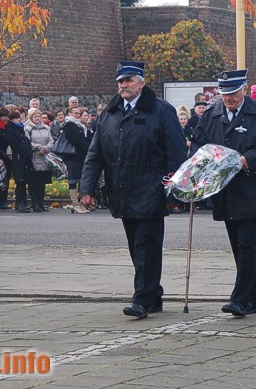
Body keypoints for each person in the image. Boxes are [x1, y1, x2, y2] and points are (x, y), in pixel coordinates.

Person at [79, 61, 187, 319]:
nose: (123, 85)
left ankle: (142, 299)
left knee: (146, 245)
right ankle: (154, 294)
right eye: (120, 81)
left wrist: (174, 190)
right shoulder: (110, 112)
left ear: (141, 82)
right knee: (135, 246)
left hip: (152, 189)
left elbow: (175, 152)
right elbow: (95, 153)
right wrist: (87, 188)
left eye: (128, 80)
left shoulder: (161, 110)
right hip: (122, 190)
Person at [191, 69, 256, 317]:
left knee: (246, 245)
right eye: (224, 93)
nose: (228, 98)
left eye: (233, 92)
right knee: (240, 247)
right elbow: (199, 146)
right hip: (225, 190)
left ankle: (240, 299)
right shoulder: (212, 114)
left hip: (252, 188)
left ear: (244, 89)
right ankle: (255, 298)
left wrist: (249, 160)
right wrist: (195, 172)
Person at [62, 105, 93, 214]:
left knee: (80, 180)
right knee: (73, 180)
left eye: (79, 113)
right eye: (75, 113)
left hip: (80, 156)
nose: (77, 115)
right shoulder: (69, 124)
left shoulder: (81, 125)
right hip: (72, 156)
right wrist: (85, 145)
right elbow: (74, 139)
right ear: (69, 114)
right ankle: (75, 203)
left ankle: (80, 203)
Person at [25, 108, 54, 212]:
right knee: (34, 182)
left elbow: (51, 141)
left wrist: (46, 148)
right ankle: (35, 203)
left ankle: (41, 202)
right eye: (35, 116)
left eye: (39, 116)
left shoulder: (46, 128)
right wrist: (37, 147)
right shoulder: (28, 129)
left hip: (44, 157)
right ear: (31, 118)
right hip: (34, 157)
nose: (37, 118)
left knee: (42, 183)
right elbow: (27, 142)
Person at [6, 110, 34, 213]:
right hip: (18, 158)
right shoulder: (11, 129)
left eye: (19, 118)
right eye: (17, 118)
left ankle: (24, 202)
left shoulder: (20, 128)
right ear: (12, 120)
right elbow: (15, 144)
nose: (19, 120)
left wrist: (28, 151)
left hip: (24, 158)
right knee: (20, 182)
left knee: (24, 181)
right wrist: (24, 151)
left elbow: (26, 141)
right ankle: (19, 203)